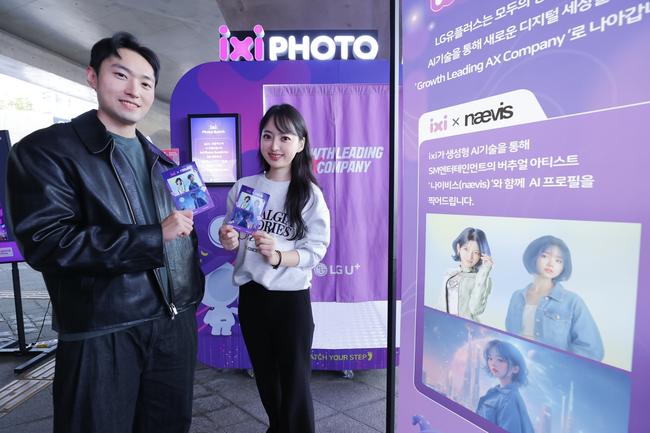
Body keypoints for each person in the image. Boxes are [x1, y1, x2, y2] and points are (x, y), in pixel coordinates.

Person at [6, 32, 204, 433]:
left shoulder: (165, 163)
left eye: (146, 83)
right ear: (92, 77)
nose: (135, 91)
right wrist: (153, 236)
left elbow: (182, 236)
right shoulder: (45, 151)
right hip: (102, 330)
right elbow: (48, 244)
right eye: (121, 75)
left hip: (174, 326)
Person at [219, 104, 330, 433]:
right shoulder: (245, 187)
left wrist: (280, 256)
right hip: (252, 296)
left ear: (300, 143)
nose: (275, 145)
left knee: (295, 384)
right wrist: (229, 239)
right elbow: (236, 238)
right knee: (267, 379)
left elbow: (316, 249)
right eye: (267, 136)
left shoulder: (308, 194)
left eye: (285, 137)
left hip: (290, 299)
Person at [505, 235, 604, 361]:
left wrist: (552, 358)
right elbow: (509, 335)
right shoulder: (517, 296)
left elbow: (592, 350)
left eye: (558, 261)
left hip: (552, 370)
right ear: (533, 257)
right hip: (517, 364)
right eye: (545, 256)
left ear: (563, 266)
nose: (551, 263)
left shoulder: (572, 302)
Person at [436, 227, 493, 322]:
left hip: (466, 328)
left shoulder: (482, 279)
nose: (470, 256)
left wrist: (485, 271)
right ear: (458, 248)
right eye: (466, 249)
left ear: (481, 255)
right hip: (444, 326)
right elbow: (440, 305)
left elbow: (475, 310)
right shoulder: (449, 273)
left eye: (476, 252)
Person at [476, 340, 534, 433]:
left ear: (515, 369)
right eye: (490, 358)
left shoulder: (508, 399)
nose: (493, 363)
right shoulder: (496, 392)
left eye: (500, 360)